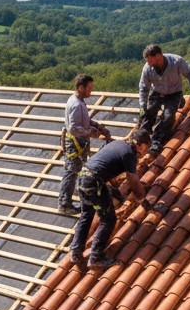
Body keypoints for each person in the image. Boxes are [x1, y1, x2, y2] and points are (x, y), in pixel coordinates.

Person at [67, 131, 148, 269]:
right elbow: (132, 179)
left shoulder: (118, 144)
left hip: (83, 178)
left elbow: (106, 166)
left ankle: (75, 251)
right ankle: (96, 257)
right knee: (108, 219)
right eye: (144, 148)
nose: (144, 153)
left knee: (87, 214)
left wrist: (115, 192)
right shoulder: (129, 153)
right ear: (138, 144)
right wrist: (142, 198)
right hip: (94, 182)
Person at [58, 73, 111, 216]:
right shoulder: (75, 104)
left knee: (78, 171)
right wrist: (91, 132)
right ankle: (64, 204)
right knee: (71, 173)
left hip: (79, 143)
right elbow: (74, 128)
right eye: (89, 88)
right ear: (81, 88)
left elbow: (84, 120)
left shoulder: (79, 101)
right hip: (74, 143)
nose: (91, 92)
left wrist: (98, 126)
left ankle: (76, 198)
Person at [138, 44, 190, 154]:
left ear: (158, 56)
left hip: (174, 92)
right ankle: (143, 136)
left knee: (168, 117)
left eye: (151, 61)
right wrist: (143, 105)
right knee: (149, 112)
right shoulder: (148, 68)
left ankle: (157, 140)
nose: (149, 64)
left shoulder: (176, 62)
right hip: (157, 91)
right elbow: (143, 87)